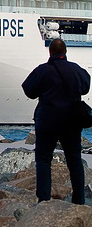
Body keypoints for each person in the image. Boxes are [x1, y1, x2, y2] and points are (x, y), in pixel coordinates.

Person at [22, 38, 90, 205]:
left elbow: (28, 90)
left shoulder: (42, 70)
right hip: (72, 121)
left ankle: (44, 199)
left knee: (44, 160)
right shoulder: (77, 70)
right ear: (65, 52)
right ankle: (79, 200)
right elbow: (86, 87)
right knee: (74, 160)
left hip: (47, 120)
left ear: (50, 52)